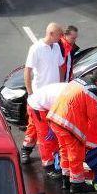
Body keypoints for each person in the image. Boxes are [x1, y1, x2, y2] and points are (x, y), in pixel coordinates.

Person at [47, 68, 97, 193]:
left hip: (56, 119)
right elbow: (95, 116)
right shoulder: (92, 90)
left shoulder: (77, 81)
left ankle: (66, 179)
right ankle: (77, 184)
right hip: (69, 124)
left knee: (64, 151)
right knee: (76, 154)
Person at [21, 23, 65, 163]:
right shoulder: (36, 49)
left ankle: (26, 148)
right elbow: (27, 71)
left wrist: (60, 85)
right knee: (44, 130)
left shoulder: (56, 47)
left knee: (34, 125)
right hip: (39, 97)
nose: (61, 37)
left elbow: (60, 67)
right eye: (59, 34)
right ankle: (47, 160)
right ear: (51, 34)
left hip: (52, 97)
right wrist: (30, 93)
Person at [26, 81, 69, 175]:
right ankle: (48, 166)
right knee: (46, 138)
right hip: (38, 107)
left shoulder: (72, 91)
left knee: (50, 135)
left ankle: (27, 149)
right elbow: (59, 112)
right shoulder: (68, 97)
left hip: (42, 102)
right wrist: (52, 126)